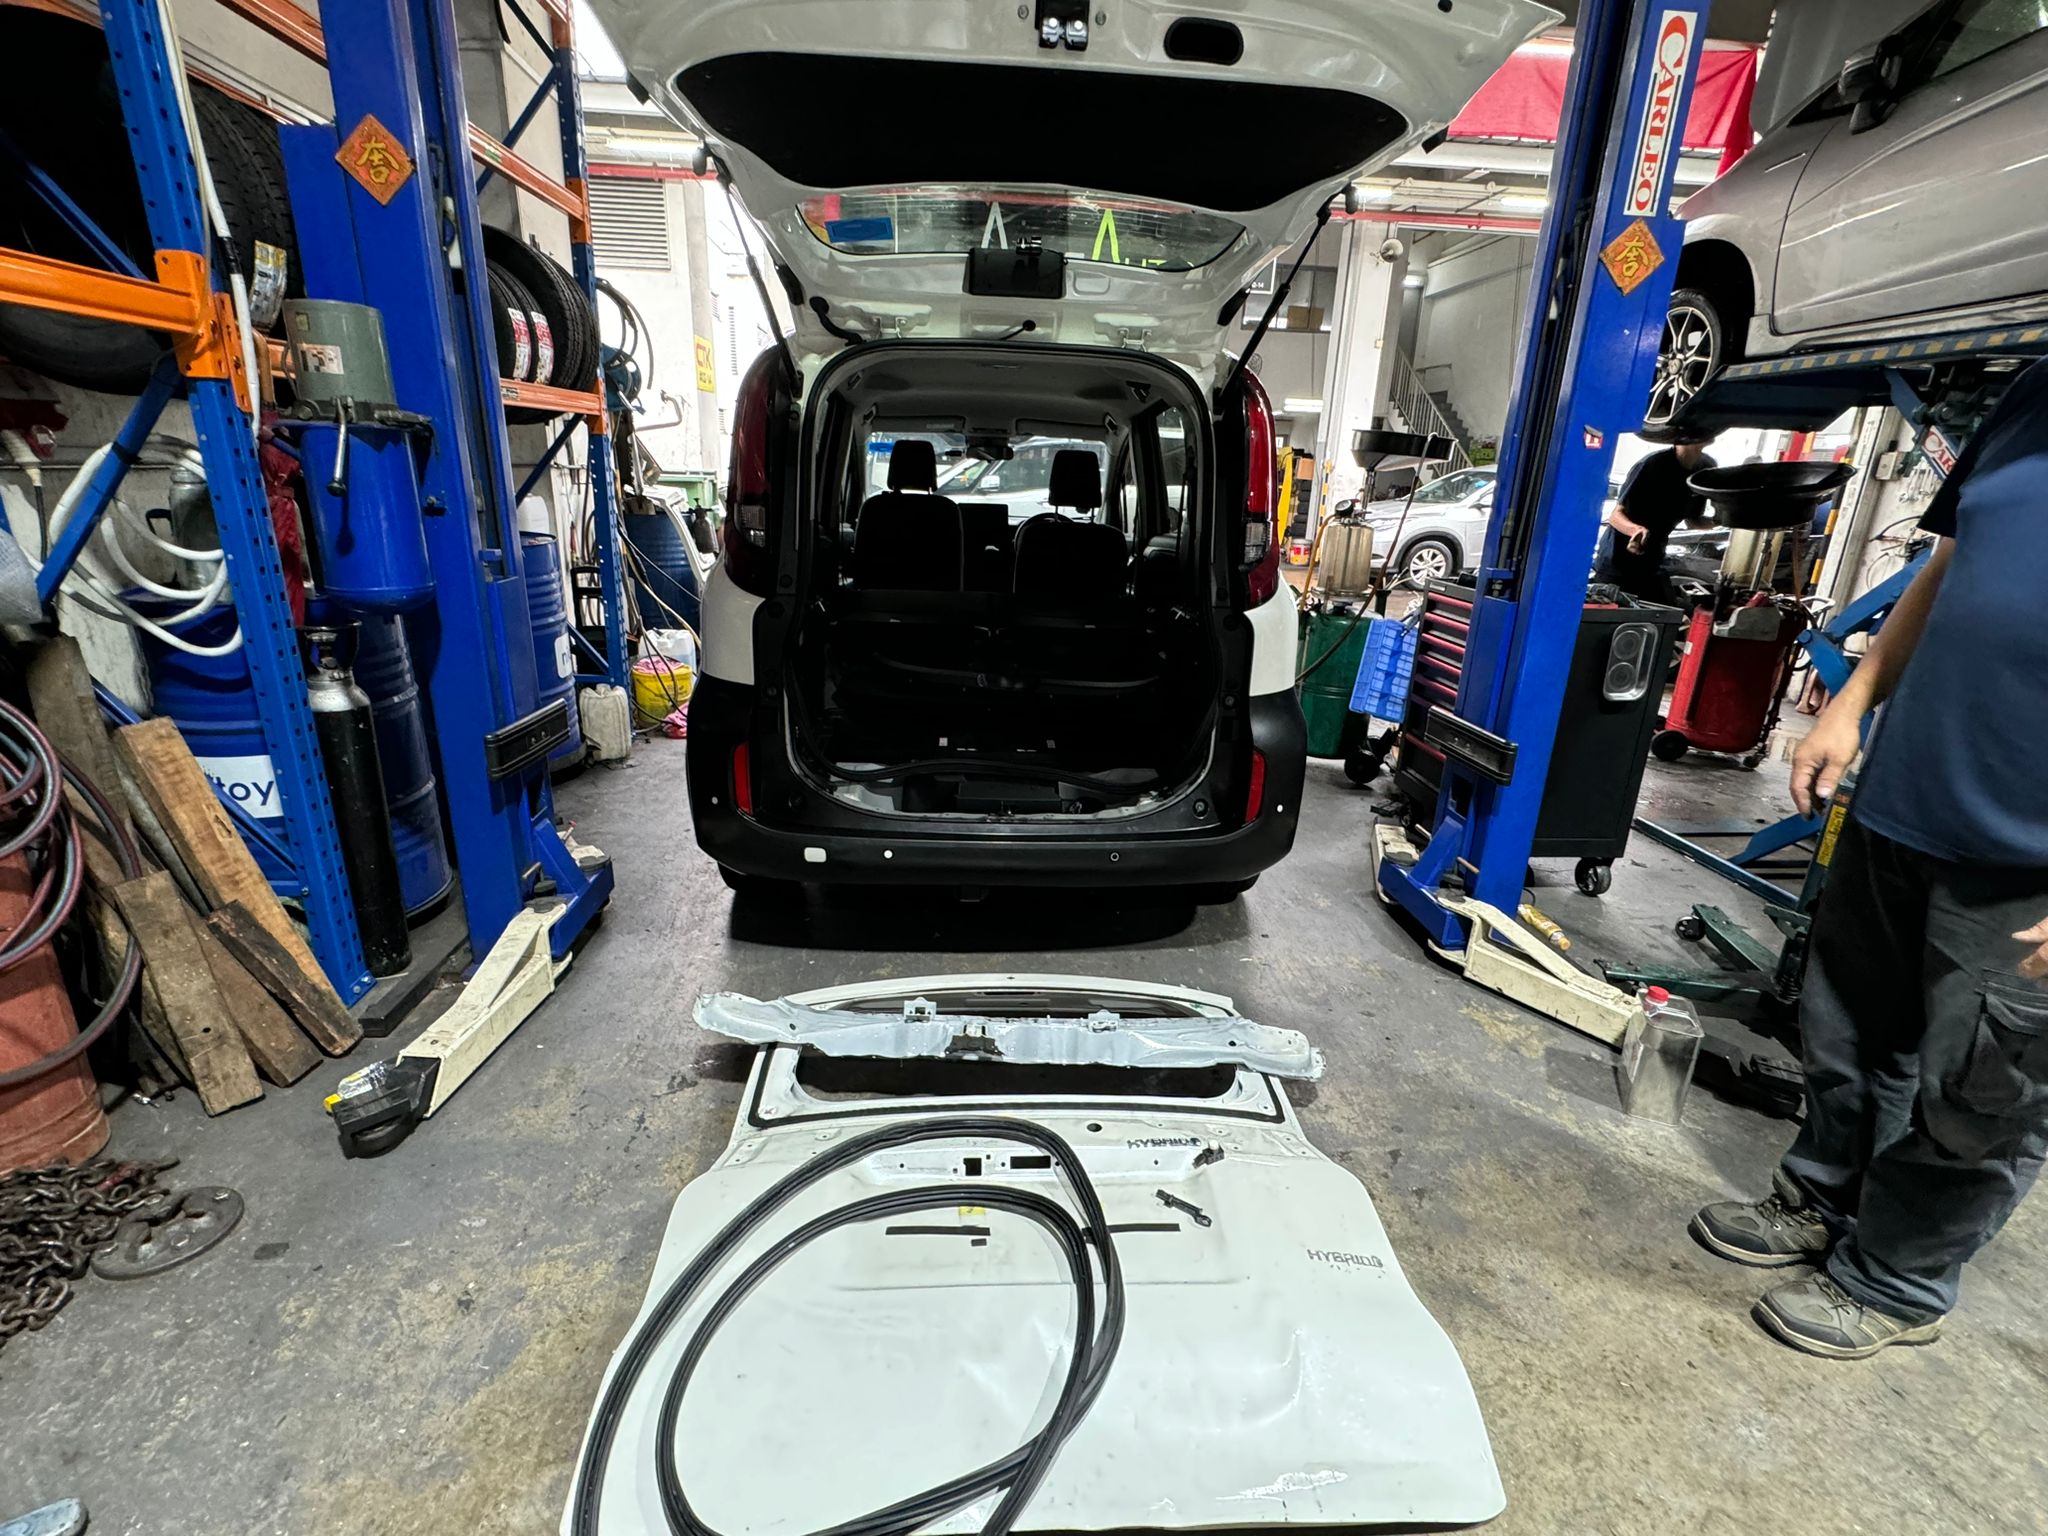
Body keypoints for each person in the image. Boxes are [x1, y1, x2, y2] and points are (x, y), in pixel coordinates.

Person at [1690, 355, 2048, 1360]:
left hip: (2029, 859)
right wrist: (1851, 701)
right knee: (1850, 1033)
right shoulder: (2034, 393)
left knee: (1982, 1094)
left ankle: (1896, 1281)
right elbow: (1949, 564)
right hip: (1910, 794)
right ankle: (1821, 1201)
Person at [1599, 437, 1716, 602]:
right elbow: (1615, 516)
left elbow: (1693, 521)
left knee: (1666, 610)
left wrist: (1725, 520)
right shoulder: (1652, 465)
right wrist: (1636, 531)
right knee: (1614, 612)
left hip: (1652, 560)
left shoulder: (1705, 468)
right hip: (1617, 561)